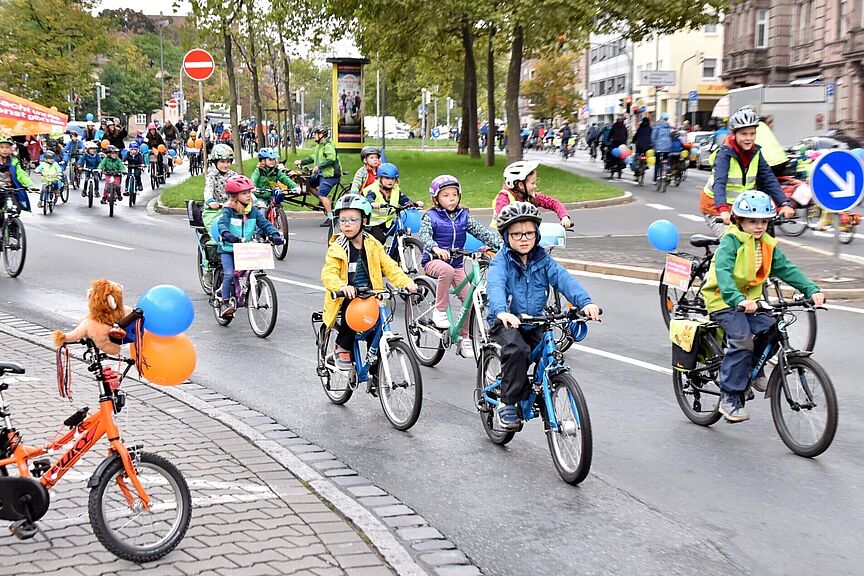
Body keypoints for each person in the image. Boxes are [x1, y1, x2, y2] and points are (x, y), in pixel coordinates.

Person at [700, 191, 824, 422]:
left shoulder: (766, 245)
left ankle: (750, 370)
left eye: (764, 221)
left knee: (773, 327)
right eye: (753, 221)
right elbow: (724, 275)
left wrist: (811, 289)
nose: (759, 227)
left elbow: (787, 269)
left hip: (750, 303)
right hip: (723, 300)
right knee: (742, 340)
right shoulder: (730, 242)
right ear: (739, 220)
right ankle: (729, 397)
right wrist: (737, 300)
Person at [486, 202, 600, 429]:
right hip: (507, 321)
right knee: (518, 350)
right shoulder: (501, 262)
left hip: (535, 320)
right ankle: (507, 402)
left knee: (550, 355)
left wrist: (586, 303)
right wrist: (501, 311)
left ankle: (541, 390)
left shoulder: (543, 260)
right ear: (506, 236)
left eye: (529, 233)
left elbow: (564, 280)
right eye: (516, 234)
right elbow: (495, 285)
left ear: (537, 234)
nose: (523, 238)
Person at [320, 194, 417, 371]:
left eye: (352, 219)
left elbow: (390, 266)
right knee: (351, 312)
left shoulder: (372, 244)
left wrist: (406, 282)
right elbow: (329, 274)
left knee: (379, 331)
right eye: (342, 220)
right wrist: (342, 287)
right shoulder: (337, 248)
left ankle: (377, 372)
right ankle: (342, 347)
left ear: (364, 221)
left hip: (371, 295)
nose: (347, 224)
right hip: (346, 296)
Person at [419, 175, 500, 357]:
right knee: (445, 270)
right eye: (446, 195)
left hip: (456, 263)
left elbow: (482, 232)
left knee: (470, 298)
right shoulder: (430, 216)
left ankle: (465, 338)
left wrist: (500, 244)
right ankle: (439, 311)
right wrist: (435, 248)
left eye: (455, 194)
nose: (452, 199)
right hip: (434, 261)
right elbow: (424, 236)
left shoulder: (464, 216)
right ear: (436, 198)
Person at [701, 106, 795, 236]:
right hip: (715, 206)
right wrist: (722, 210)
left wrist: (784, 203)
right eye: (744, 134)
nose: (748, 138)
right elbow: (719, 183)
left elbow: (769, 179)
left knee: (762, 242)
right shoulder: (725, 154)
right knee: (731, 242)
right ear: (734, 134)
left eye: (752, 133)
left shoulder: (756, 152)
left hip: (741, 208)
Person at [214, 175, 284, 318]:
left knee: (253, 270)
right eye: (244, 193)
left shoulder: (252, 211)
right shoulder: (228, 210)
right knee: (228, 274)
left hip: (245, 249)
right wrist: (226, 233)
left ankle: (249, 291)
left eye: (249, 192)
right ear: (235, 196)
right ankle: (225, 303)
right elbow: (222, 223)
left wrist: (275, 234)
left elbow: (264, 223)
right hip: (229, 249)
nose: (249, 196)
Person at [494, 160, 572, 230]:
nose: (535, 186)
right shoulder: (504, 197)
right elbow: (503, 216)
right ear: (521, 185)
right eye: (532, 183)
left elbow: (552, 202)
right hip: (499, 239)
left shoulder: (529, 196)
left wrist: (564, 216)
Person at [363, 162, 422, 245]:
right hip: (372, 223)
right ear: (380, 178)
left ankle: (397, 254)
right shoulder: (373, 190)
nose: (390, 181)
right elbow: (369, 198)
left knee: (401, 232)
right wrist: (372, 203)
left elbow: (404, 199)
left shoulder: (395, 190)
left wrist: (414, 204)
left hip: (387, 222)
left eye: (393, 179)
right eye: (387, 178)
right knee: (380, 239)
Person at [295, 126, 341, 227]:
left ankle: (331, 218)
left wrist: (319, 166)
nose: (314, 136)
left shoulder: (328, 145)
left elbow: (331, 159)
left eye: (316, 134)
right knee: (307, 184)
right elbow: (313, 157)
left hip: (330, 175)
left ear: (322, 135)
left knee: (322, 194)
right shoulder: (319, 146)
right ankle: (324, 202)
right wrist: (301, 161)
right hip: (321, 174)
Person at [0, 135, 35, 213]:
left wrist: (30, 184)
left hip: (10, 190)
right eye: (2, 147)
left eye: (7, 147)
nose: (4, 150)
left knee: (16, 209)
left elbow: (21, 174)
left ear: (11, 149)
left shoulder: (14, 161)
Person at [203, 143, 237, 208]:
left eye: (228, 162)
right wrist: (210, 201)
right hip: (215, 209)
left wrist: (254, 200)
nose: (226, 165)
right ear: (215, 162)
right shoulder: (211, 176)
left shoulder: (233, 175)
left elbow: (243, 188)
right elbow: (208, 189)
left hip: (231, 208)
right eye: (222, 162)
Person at [651, 112, 674, 182]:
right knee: (666, 159)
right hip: (668, 146)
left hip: (658, 146)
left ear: (661, 118)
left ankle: (655, 179)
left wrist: (653, 145)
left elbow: (653, 137)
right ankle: (667, 171)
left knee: (657, 162)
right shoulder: (668, 126)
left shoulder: (657, 126)